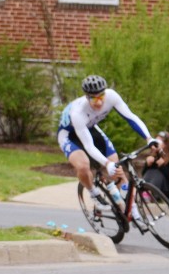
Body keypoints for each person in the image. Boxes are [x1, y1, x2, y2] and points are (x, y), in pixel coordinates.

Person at [57, 75, 156, 212]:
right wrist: (106, 164)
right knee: (83, 165)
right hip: (69, 135)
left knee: (117, 169)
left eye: (101, 97)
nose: (98, 102)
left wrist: (149, 138)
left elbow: (131, 117)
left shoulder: (112, 96)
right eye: (93, 98)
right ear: (86, 97)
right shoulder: (77, 113)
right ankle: (93, 192)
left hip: (90, 128)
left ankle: (129, 207)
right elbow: (89, 146)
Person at [141, 131, 169, 200]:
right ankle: (144, 192)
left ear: (167, 144)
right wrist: (147, 165)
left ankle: (149, 193)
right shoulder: (155, 154)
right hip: (155, 187)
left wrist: (162, 167)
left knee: (157, 172)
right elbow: (145, 174)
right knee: (152, 171)